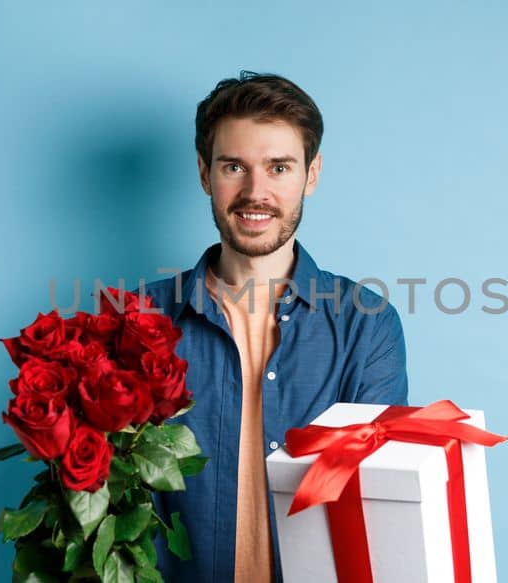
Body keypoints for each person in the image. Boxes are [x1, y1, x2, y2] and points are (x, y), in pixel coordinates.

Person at [143, 71, 410, 583]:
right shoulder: (138, 320)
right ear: (204, 174)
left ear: (311, 175)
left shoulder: (367, 327)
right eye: (234, 167)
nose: (255, 192)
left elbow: (373, 506)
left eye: (279, 167)